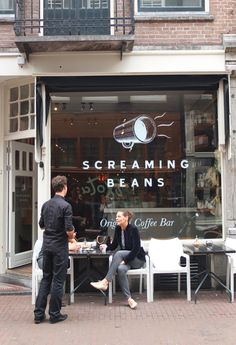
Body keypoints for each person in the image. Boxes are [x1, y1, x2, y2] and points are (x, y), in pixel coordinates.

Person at [34, 175, 75, 324]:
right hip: (59, 247)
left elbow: (41, 225)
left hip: (47, 246)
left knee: (46, 278)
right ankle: (54, 314)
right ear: (64, 187)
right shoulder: (66, 206)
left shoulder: (46, 205)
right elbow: (69, 228)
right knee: (58, 280)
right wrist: (71, 236)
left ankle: (38, 315)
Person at [90, 210, 146, 309]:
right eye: (116, 216)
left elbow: (136, 249)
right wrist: (106, 247)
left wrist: (126, 260)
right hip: (127, 259)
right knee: (120, 269)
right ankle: (129, 299)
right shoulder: (118, 229)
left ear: (126, 218)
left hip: (137, 259)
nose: (116, 218)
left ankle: (105, 282)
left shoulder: (133, 229)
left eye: (119, 216)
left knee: (119, 253)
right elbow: (114, 245)